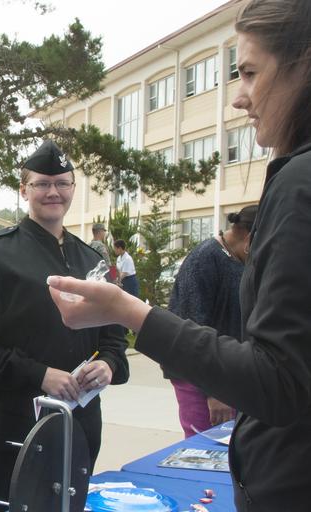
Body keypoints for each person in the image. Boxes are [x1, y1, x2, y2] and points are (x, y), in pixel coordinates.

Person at [47, 1, 311, 508]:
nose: (239, 97)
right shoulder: (211, 253)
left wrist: (129, 313)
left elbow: (280, 378)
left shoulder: (298, 183)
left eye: (250, 72)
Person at [0, 139, 129, 511]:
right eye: (42, 183)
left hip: (81, 420)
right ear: (24, 189)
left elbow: (114, 337)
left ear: (73, 188)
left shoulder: (90, 259)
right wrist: (40, 374)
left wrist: (108, 364)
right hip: (17, 421)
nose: (54, 192)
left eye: (62, 183)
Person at [166, 205, 258, 438]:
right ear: (249, 238)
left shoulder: (237, 260)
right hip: (199, 379)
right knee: (208, 447)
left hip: (228, 373)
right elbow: (192, 328)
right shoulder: (206, 257)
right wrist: (214, 391)